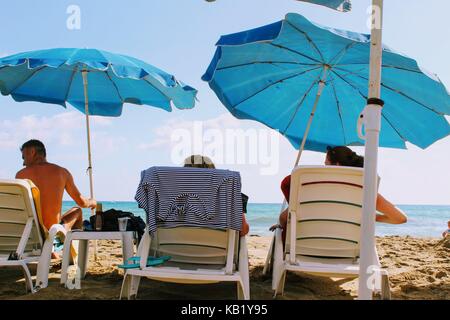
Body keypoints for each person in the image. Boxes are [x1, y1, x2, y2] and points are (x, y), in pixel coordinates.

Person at [270, 146, 408, 245]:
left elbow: (283, 218)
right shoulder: (364, 190)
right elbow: (399, 218)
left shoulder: (311, 188)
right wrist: (368, 216)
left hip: (307, 249)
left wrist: (282, 225)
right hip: (346, 251)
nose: (323, 167)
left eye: (326, 164)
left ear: (336, 165)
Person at [15, 140, 97, 257]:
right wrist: (92, 202)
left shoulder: (20, 176)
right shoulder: (62, 172)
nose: (23, 162)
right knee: (77, 211)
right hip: (51, 233)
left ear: (32, 152)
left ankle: (57, 247)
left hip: (29, 234)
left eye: (24, 157)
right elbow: (82, 202)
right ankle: (68, 253)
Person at [183, 155, 250, 237]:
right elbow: (243, 230)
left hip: (176, 248)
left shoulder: (171, 196)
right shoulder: (231, 195)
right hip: (217, 248)